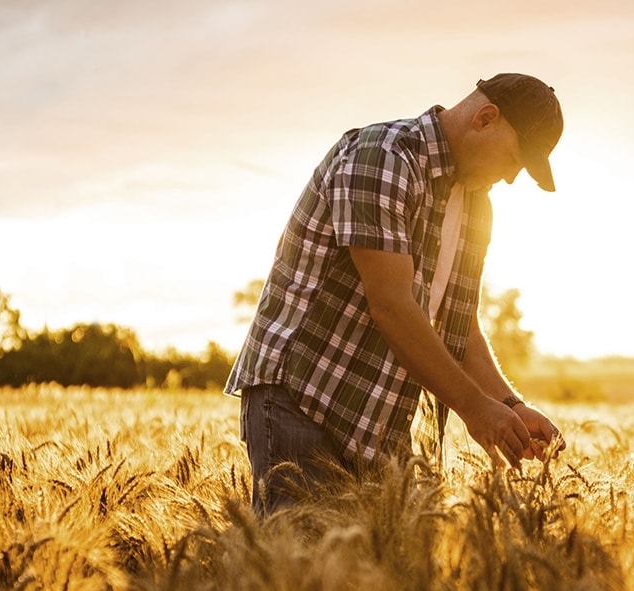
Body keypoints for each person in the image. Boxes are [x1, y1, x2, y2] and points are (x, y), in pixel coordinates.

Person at [225, 73, 566, 510]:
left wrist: (509, 405)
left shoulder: (478, 207)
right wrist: (476, 410)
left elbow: (458, 328)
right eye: (517, 159)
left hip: (378, 423)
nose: (514, 178)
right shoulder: (382, 158)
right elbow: (391, 305)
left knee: (372, 577)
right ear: (485, 119)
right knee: (301, 569)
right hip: (304, 402)